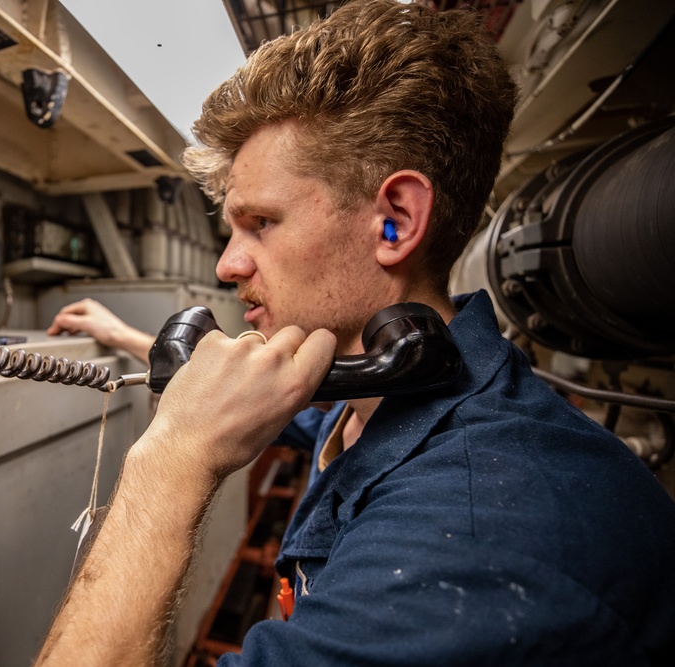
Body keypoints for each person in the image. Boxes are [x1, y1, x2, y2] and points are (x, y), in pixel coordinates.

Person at [38, 1, 675, 665]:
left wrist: (171, 457)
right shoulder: (393, 388)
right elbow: (286, 413)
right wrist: (129, 338)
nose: (227, 263)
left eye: (260, 222)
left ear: (395, 220)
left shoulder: (474, 537)